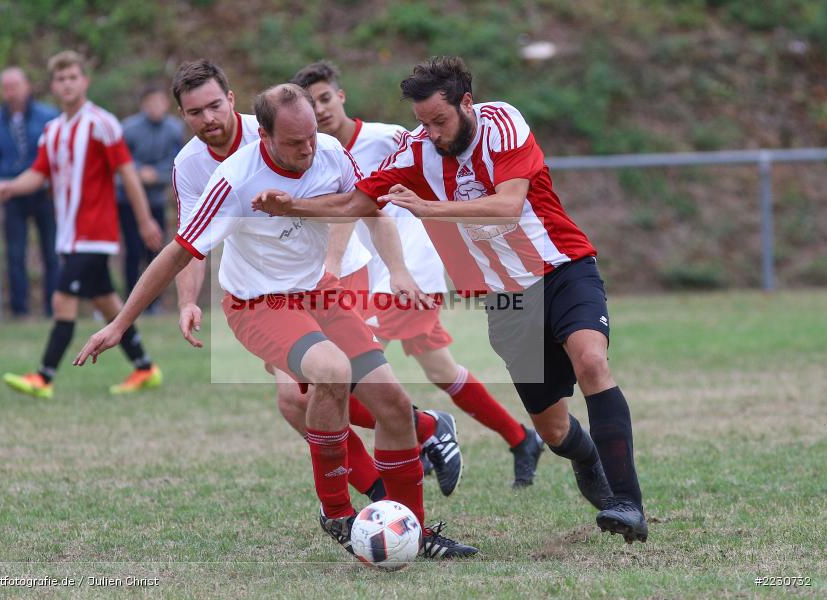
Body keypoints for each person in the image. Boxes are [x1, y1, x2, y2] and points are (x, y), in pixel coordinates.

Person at [252, 56, 648, 544]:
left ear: (466, 103)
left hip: (562, 269)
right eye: (423, 123)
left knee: (591, 362)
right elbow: (357, 202)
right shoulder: (416, 152)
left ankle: (627, 504)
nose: (432, 132)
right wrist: (292, 205)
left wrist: (428, 209)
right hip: (506, 302)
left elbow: (508, 205)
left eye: (440, 121)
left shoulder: (502, 122)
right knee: (554, 429)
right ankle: (585, 457)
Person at [74, 83, 478, 559]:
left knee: (393, 402)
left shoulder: (329, 152)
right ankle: (336, 512)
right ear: (262, 135)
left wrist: (399, 270)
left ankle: (415, 530)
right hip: (258, 304)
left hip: (319, 294)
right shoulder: (233, 181)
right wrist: (119, 324)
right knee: (330, 373)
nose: (308, 148)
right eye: (293, 142)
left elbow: (371, 210)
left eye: (310, 136)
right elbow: (176, 254)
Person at [169, 60, 463, 502]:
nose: (208, 119)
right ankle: (402, 468)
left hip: (336, 273)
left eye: (214, 106)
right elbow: (192, 238)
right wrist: (188, 299)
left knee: (326, 385)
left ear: (231, 100)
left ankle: (396, 471)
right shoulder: (191, 165)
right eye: (195, 113)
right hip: (270, 288)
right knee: (298, 401)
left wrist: (337, 258)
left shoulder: (278, 129)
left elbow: (351, 200)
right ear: (183, 116)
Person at [291, 60, 545, 490]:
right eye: (310, 104)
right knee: (440, 368)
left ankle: (424, 435)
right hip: (373, 276)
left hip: (408, 273)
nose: (319, 110)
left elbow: (442, 173)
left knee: (346, 377)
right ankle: (520, 438)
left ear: (341, 96)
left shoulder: (387, 138)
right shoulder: (318, 157)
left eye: (325, 98)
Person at [0, 50, 164, 398]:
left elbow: (127, 172)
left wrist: (145, 218)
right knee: (106, 303)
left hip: (95, 234)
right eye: (61, 78)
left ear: (85, 81)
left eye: (73, 77)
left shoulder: (102, 123)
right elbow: (38, 173)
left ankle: (43, 377)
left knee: (62, 300)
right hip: (70, 236)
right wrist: (12, 186)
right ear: (53, 86)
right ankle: (145, 368)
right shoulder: (53, 129)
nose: (67, 83)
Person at [0, 67, 60, 318]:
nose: (11, 93)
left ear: (27, 86)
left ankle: (53, 306)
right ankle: (20, 309)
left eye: (15, 86)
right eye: (6, 88)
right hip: (12, 195)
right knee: (15, 254)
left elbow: (57, 152)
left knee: (51, 251)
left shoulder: (48, 116)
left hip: (45, 194)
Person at [118, 85, 184, 308]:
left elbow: (178, 162)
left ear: (167, 104)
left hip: (156, 200)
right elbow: (120, 161)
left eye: (160, 102)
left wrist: (156, 174)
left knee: (156, 251)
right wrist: (138, 172)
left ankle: (153, 302)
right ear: (144, 105)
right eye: (151, 103)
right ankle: (129, 300)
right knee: (132, 250)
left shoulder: (174, 129)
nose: (156, 107)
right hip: (127, 201)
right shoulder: (128, 128)